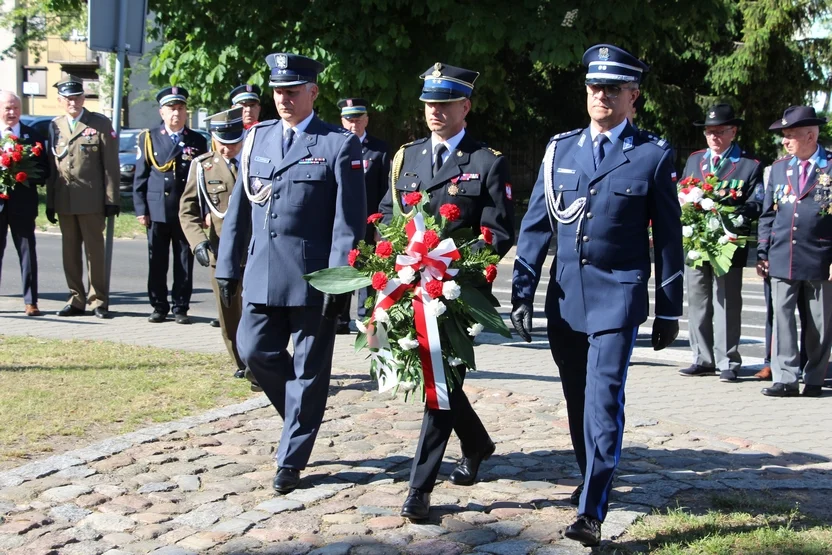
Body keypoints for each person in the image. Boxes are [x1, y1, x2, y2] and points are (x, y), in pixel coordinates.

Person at [511, 44, 683, 547]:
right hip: (566, 300)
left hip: (618, 297)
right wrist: (522, 292)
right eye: (594, 87)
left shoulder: (651, 154)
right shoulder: (560, 150)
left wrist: (668, 307)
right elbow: (537, 224)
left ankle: (591, 510)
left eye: (613, 88)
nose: (601, 96)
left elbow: (669, 236)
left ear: (634, 96)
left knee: (603, 402)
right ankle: (592, 478)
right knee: (577, 398)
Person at [214, 53, 365, 494]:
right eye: (278, 91)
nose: (283, 99)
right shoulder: (256, 138)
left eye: (292, 91)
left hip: (312, 277)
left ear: (313, 92)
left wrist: (342, 279)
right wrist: (228, 266)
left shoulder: (337, 143)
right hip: (262, 272)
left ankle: (291, 458)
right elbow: (240, 209)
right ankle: (301, 418)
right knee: (253, 349)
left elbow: (348, 222)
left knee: (309, 370)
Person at [378, 62, 515, 521]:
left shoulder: (486, 161)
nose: (434, 111)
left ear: (465, 106)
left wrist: (455, 269)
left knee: (439, 380)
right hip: (408, 288)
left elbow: (496, 232)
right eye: (429, 104)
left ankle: (419, 487)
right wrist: (387, 264)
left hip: (454, 291)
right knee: (441, 379)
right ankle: (476, 443)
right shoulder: (407, 157)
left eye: (444, 103)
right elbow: (388, 216)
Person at [677, 104, 763, 382]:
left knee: (727, 301)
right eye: (708, 132)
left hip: (728, 241)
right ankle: (702, 358)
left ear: (733, 131)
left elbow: (757, 202)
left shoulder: (749, 164)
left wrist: (729, 216)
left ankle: (728, 360)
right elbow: (683, 190)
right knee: (698, 299)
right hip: (696, 240)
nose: (713, 136)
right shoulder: (695, 160)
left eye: (719, 131)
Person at [757, 106, 831, 398]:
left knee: (819, 323)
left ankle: (814, 378)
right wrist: (762, 252)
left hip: (821, 257)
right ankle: (785, 378)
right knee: (782, 319)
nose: (785, 142)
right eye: (784, 136)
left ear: (811, 135)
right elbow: (767, 215)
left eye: (790, 136)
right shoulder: (779, 168)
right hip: (782, 255)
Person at [179, 107, 250, 381]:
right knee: (228, 309)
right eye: (223, 142)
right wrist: (197, 242)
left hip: (255, 249)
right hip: (221, 252)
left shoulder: (255, 161)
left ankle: (259, 358)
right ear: (212, 137)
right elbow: (187, 211)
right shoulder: (202, 166)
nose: (229, 148)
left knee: (258, 310)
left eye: (234, 142)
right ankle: (240, 361)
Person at [46, 76, 120, 319]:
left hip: (91, 201)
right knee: (69, 253)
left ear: (83, 98)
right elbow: (51, 167)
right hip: (65, 200)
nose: (73, 102)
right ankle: (76, 299)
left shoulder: (98, 123)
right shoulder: (55, 126)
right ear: (60, 101)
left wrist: (112, 199)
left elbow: (110, 166)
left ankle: (98, 300)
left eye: (76, 97)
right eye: (68, 98)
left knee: (94, 253)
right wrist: (49, 201)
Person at [133, 86, 208, 324]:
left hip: (185, 210)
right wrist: (141, 209)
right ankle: (158, 305)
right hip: (157, 209)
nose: (176, 113)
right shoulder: (149, 137)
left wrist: (203, 211)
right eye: (171, 109)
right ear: (162, 112)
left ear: (186, 112)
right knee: (157, 260)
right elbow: (141, 176)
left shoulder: (196, 140)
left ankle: (181, 306)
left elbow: (204, 178)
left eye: (181, 108)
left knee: (184, 260)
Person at [336, 97, 390, 334]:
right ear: (342, 121)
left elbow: (386, 190)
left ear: (367, 119)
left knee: (368, 270)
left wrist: (382, 225)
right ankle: (338, 317)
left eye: (358, 119)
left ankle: (365, 318)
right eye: (349, 120)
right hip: (342, 221)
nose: (353, 124)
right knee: (342, 267)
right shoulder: (335, 145)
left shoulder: (379, 150)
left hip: (369, 221)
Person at [0, 90, 49, 316]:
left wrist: (24, 173)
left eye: (16, 108)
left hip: (23, 203)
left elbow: (44, 170)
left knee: (27, 252)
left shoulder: (33, 135)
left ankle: (31, 302)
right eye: (7, 108)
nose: (12, 112)